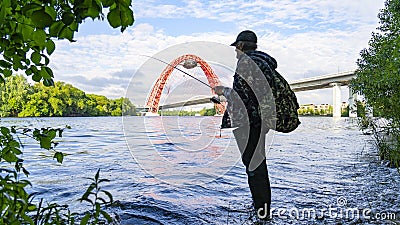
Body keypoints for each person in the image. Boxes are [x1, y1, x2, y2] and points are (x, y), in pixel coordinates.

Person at [213, 30, 278, 220]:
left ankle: (261, 213)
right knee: (259, 165)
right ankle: (262, 209)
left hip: (248, 123)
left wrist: (223, 91)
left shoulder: (245, 63)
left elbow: (241, 97)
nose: (235, 52)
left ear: (241, 45)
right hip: (261, 121)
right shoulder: (265, 64)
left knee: (253, 168)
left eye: (236, 47)